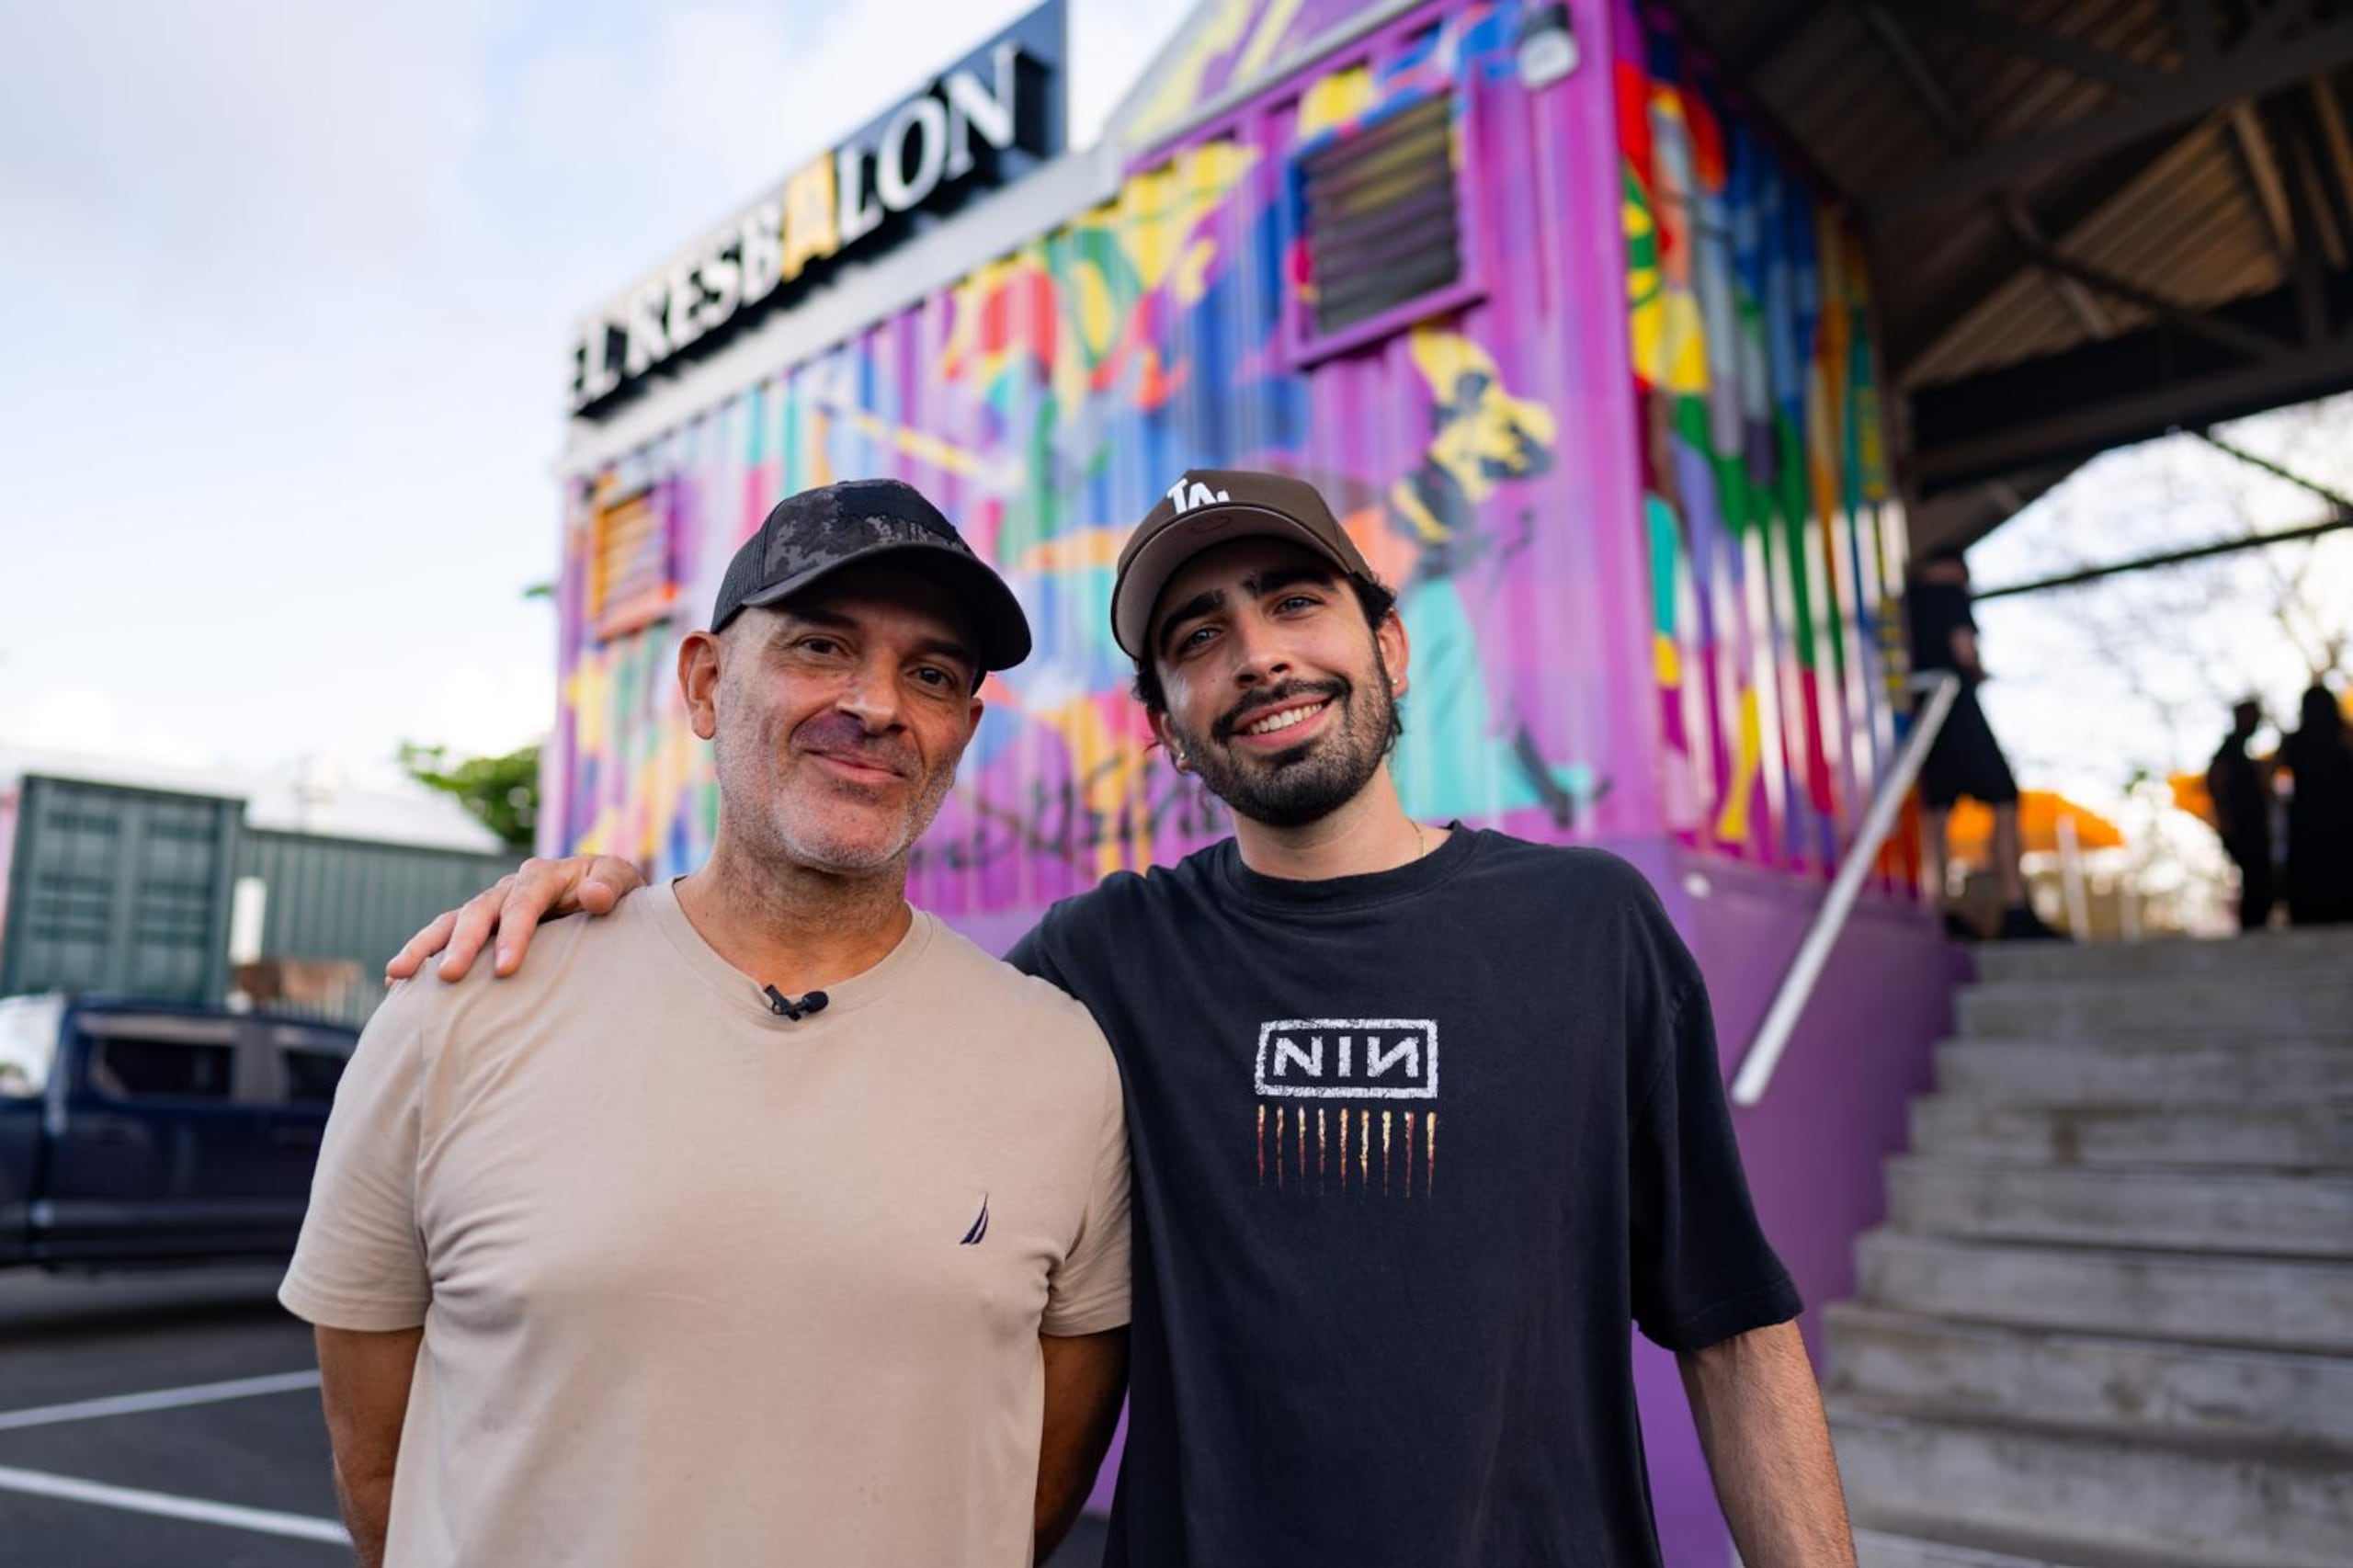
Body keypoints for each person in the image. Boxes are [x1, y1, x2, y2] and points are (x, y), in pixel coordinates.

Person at [394, 471, 1859, 1567]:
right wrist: (609, 912)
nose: (1259, 656)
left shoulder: (1589, 927)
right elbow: (835, 994)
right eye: (1199, 636)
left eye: (1296, 603)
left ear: (1390, 646)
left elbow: (1733, 1330)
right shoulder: (1105, 963)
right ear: (1165, 721)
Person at [287, 480, 1131, 1568]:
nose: (877, 703)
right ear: (705, 680)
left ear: (962, 730)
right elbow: (382, 1473)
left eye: (930, 672)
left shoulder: (1059, 1062)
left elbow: (1035, 1476)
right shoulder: (461, 1006)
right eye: (822, 647)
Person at [1904, 548, 2058, 940]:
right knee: (2004, 799)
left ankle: (1942, 909)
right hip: (1957, 707)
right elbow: (1963, 648)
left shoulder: (1907, 603)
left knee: (1935, 813)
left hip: (1922, 713)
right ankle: (2015, 907)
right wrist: (1978, 670)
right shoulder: (1952, 597)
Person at [2280, 681, 2353, 926]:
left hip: (2314, 818)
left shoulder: (2296, 740)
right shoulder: (2343, 736)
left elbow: (2269, 779)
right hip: (2333, 817)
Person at [2206, 699, 2276, 931]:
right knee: (2255, 877)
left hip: (2249, 825)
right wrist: (2225, 819)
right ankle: (2253, 925)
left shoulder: (2240, 751)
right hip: (2243, 827)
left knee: (2258, 878)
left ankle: (2255, 924)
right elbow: (2217, 781)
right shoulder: (2230, 751)